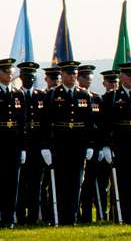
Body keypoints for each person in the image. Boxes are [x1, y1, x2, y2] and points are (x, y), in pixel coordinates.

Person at [43, 61, 96, 226]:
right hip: (60, 144)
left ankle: (71, 217)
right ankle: (58, 217)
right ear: (62, 75)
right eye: (68, 74)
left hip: (78, 144)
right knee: (60, 182)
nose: (72, 77)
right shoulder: (52, 95)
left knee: (75, 182)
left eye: (74, 74)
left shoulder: (85, 95)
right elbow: (46, 122)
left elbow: (90, 123)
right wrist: (46, 146)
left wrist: (90, 145)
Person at [100, 63, 131, 224]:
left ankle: (129, 216)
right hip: (120, 145)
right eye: (129, 75)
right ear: (121, 77)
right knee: (120, 181)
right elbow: (105, 123)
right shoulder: (111, 97)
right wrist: (106, 145)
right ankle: (117, 215)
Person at [16, 62, 45, 226]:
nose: (30, 79)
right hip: (21, 146)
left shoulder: (41, 95)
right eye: (27, 76)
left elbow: (46, 122)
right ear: (20, 77)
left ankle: (33, 217)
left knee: (35, 185)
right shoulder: (16, 94)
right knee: (21, 185)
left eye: (33, 76)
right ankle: (20, 217)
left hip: (37, 147)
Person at [76, 65, 104, 223]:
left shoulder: (96, 98)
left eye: (90, 78)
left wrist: (99, 146)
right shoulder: (76, 97)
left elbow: (100, 125)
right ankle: (75, 213)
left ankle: (86, 215)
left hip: (93, 147)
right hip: (81, 145)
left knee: (89, 183)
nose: (88, 81)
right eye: (85, 77)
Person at [0, 59, 27, 228]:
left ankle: (9, 218)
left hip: (14, 144)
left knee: (12, 182)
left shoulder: (18, 94)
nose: (10, 74)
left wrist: (23, 147)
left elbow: (23, 122)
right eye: (6, 71)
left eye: (11, 71)